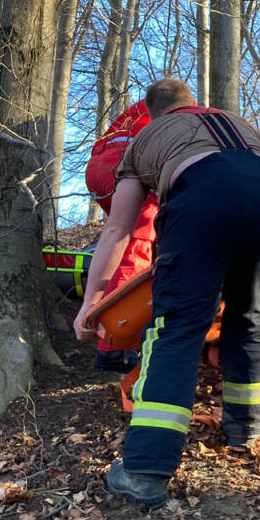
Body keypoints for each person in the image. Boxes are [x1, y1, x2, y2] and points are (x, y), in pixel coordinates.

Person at [73, 79, 260, 508]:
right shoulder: (237, 124)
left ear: (154, 112)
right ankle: (244, 431)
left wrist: (91, 304)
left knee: (176, 327)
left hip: (203, 198)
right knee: (248, 316)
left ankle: (144, 470)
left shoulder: (145, 138)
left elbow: (119, 228)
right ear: (193, 104)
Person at [84, 100, 156, 372]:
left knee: (125, 241)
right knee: (135, 250)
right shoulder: (188, 117)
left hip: (100, 164)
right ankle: (116, 348)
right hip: (127, 164)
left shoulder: (144, 108)